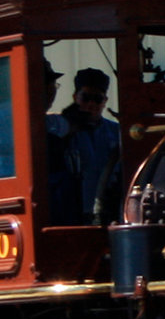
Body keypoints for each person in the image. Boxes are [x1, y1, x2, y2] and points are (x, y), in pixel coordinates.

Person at [48, 68, 122, 225]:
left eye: (97, 99)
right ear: (75, 97)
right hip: (73, 212)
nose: (91, 104)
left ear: (105, 101)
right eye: (86, 98)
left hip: (111, 212)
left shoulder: (116, 132)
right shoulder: (58, 129)